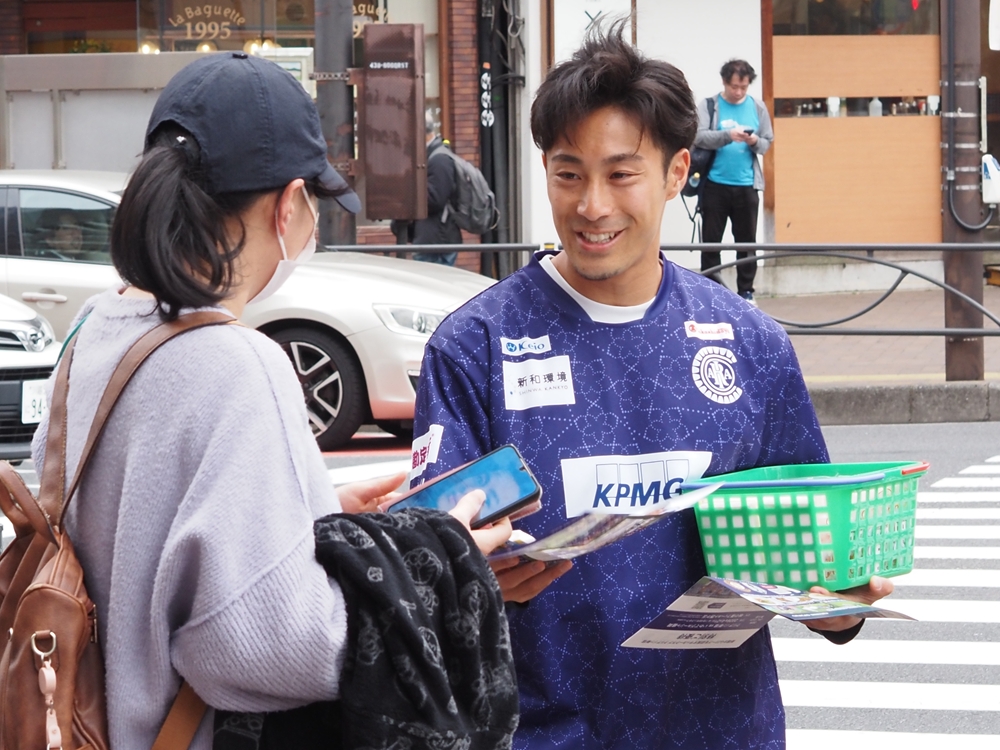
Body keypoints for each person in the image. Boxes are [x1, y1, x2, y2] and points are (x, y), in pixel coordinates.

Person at [410, 26, 892, 749]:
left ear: (675, 176)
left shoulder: (750, 344)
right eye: (568, 174)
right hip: (540, 733)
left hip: (721, 730)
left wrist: (837, 606)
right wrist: (468, 580)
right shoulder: (474, 346)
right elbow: (422, 576)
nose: (592, 206)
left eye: (621, 174)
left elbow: (816, 556)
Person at [30, 52, 511, 750]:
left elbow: (148, 526)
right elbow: (276, 646)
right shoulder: (238, 363)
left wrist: (316, 516)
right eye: (314, 200)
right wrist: (439, 558)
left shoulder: (94, 330)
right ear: (287, 204)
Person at [693, 59, 773, 305]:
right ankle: (711, 292)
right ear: (724, 82)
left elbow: (767, 141)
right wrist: (728, 135)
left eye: (743, 87)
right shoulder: (710, 105)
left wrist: (752, 142)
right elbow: (698, 136)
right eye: (734, 86)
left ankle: (746, 292)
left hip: (747, 185)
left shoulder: (757, 107)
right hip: (715, 184)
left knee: (746, 242)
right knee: (711, 242)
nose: (738, 92)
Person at [391, 111, 462, 265]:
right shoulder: (431, 156)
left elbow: (435, 199)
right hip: (432, 238)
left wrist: (407, 193)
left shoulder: (439, 160)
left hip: (436, 241)